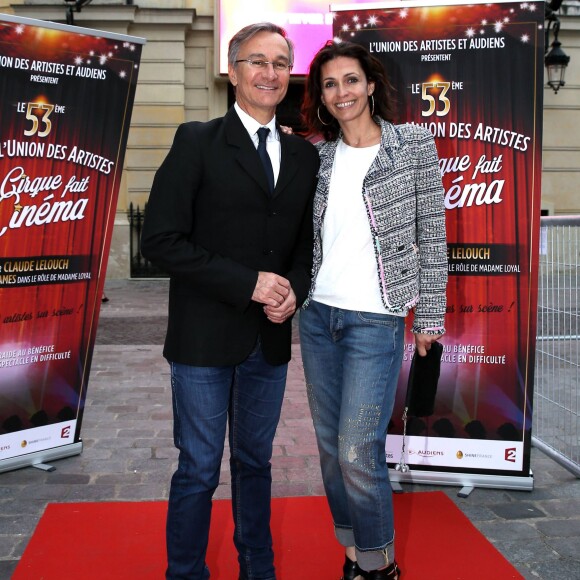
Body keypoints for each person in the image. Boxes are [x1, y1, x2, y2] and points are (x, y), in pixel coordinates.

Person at [140, 22, 319, 580]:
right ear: (233, 68)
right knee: (197, 467)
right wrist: (249, 283)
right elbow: (161, 241)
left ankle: (257, 569)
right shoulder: (197, 140)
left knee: (255, 463)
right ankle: (186, 571)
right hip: (202, 338)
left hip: (267, 339)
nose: (270, 73)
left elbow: (305, 247)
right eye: (258, 61)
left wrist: (292, 291)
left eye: (281, 63)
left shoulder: (303, 155)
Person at [299, 40, 448, 580]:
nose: (342, 92)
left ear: (371, 84)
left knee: (358, 450)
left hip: (376, 321)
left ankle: (379, 562)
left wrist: (430, 318)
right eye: (331, 84)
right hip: (318, 319)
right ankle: (351, 550)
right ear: (321, 96)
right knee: (329, 451)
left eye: (351, 80)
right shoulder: (315, 155)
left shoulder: (412, 146)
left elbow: (432, 235)